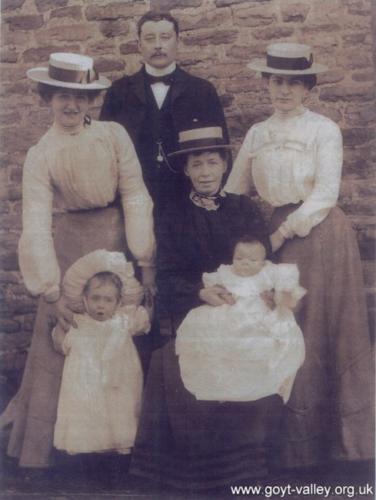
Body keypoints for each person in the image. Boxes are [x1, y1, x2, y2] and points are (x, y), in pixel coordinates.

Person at [1, 52, 155, 470]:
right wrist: (50, 290)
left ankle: (117, 441)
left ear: (92, 101)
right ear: (47, 97)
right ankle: (51, 449)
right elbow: (34, 223)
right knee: (63, 338)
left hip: (117, 238)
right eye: (61, 96)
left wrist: (145, 259)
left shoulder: (113, 135)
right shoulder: (41, 153)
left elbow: (136, 193)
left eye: (80, 97)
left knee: (116, 336)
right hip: (70, 246)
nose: (71, 105)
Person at [225, 43, 374, 470]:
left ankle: (339, 446)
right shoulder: (257, 133)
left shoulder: (323, 129)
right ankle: (290, 445)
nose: (283, 90)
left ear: (307, 87)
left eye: (293, 82)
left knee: (318, 328)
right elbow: (236, 194)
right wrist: (241, 239)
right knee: (281, 330)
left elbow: (325, 193)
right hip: (273, 237)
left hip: (320, 232)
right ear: (265, 84)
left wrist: (281, 233)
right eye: (276, 81)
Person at [129, 126, 282, 491]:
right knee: (188, 353)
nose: (205, 172)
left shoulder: (243, 208)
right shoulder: (173, 213)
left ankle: (244, 466)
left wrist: (258, 293)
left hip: (243, 306)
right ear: (186, 170)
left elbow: (266, 260)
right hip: (196, 306)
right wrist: (200, 292)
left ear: (225, 164)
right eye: (196, 164)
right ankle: (197, 470)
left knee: (258, 345)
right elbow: (165, 277)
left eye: (212, 162)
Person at [100, 11, 230, 218]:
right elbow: (104, 152)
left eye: (165, 37)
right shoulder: (119, 91)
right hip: (133, 201)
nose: (158, 45)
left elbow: (221, 152)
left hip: (189, 201)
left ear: (177, 41)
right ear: (139, 44)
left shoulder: (202, 91)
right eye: (150, 39)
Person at [176, 235, 306, 404]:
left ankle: (256, 378)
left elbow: (288, 292)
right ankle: (226, 383)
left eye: (252, 260)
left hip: (259, 313)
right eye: (239, 258)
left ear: (263, 261)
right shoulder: (226, 273)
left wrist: (276, 296)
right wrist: (222, 292)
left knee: (261, 339)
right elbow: (214, 288)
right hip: (230, 312)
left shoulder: (268, 273)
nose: (245, 263)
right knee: (213, 335)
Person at [52, 250, 149, 457]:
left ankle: (120, 446)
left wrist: (150, 302)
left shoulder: (123, 321)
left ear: (117, 302)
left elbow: (144, 320)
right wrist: (59, 329)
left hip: (119, 379)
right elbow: (61, 343)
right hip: (87, 381)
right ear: (85, 299)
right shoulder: (79, 323)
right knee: (89, 411)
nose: (101, 305)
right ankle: (87, 448)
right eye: (95, 298)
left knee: (119, 409)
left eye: (108, 300)